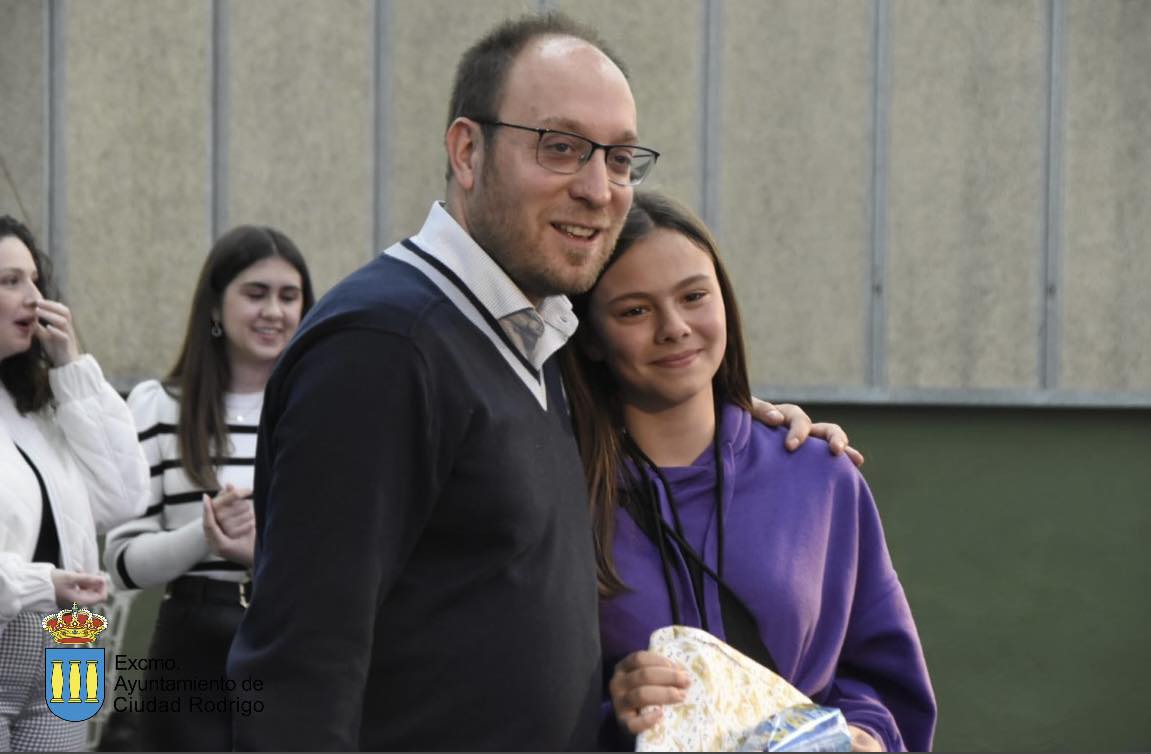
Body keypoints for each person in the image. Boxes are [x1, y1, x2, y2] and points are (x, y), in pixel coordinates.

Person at [226, 13, 854, 751]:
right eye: (560, 149)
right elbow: (300, 666)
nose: (599, 189)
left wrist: (747, 416)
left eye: (620, 159)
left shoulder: (528, 340)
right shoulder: (386, 347)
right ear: (467, 150)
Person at [560, 192, 937, 752]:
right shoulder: (560, 493)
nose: (674, 327)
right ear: (590, 336)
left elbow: (884, 677)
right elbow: (513, 694)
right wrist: (614, 710)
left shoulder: (818, 476)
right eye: (635, 310)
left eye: (694, 297)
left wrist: (866, 735)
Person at [102, 226, 313, 750]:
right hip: (189, 645)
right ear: (215, 308)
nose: (275, 311)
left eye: (289, 296)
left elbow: (350, 556)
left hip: (294, 639)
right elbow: (121, 562)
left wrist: (258, 555)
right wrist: (205, 534)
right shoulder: (157, 407)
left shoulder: (322, 411)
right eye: (256, 293)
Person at [0, 215, 150, 751]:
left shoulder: (40, 402)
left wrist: (72, 367)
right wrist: (46, 584)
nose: (34, 297)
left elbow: (125, 496)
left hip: (76, 635)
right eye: (9, 281)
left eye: (35, 279)